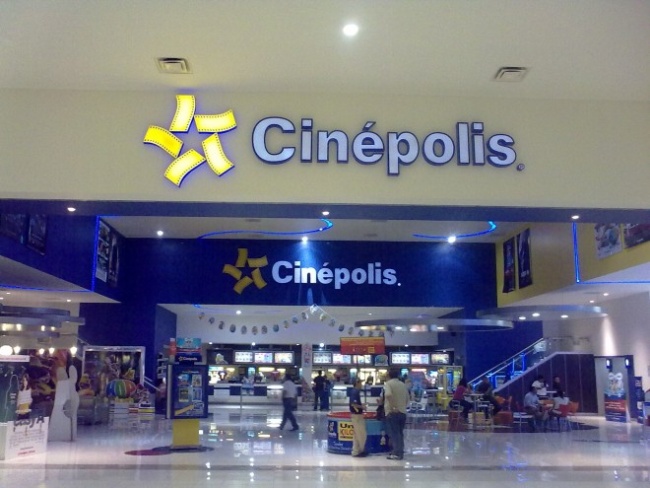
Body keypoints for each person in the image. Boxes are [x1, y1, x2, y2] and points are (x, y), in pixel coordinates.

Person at [383, 367, 409, 460]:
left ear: (389, 375)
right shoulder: (402, 384)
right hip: (402, 412)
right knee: (400, 433)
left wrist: (393, 407)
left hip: (393, 412)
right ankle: (400, 452)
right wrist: (402, 407)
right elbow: (407, 398)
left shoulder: (388, 384)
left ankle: (396, 453)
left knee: (394, 434)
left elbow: (388, 395)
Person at [349, 378, 368, 457]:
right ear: (357, 383)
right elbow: (353, 404)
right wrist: (362, 407)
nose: (361, 385)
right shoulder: (355, 392)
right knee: (362, 434)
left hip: (355, 415)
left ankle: (356, 451)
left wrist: (361, 405)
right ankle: (360, 450)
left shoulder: (354, 391)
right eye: (360, 383)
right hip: (357, 416)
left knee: (357, 435)